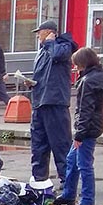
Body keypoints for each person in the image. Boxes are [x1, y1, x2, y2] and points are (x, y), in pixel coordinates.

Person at [55, 47, 103, 205]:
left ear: (83, 64)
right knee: (72, 160)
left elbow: (85, 110)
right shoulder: (101, 77)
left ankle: (87, 201)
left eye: (77, 65)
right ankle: (69, 194)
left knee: (84, 164)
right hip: (93, 125)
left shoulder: (88, 82)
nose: (75, 68)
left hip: (87, 128)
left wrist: (79, 134)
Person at [23, 19, 76, 187]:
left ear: (50, 32)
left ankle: (67, 182)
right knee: (38, 144)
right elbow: (41, 75)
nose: (38, 35)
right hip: (40, 101)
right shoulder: (42, 51)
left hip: (55, 102)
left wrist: (51, 42)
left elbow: (58, 55)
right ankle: (39, 180)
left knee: (60, 144)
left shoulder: (62, 46)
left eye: (40, 32)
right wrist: (31, 82)